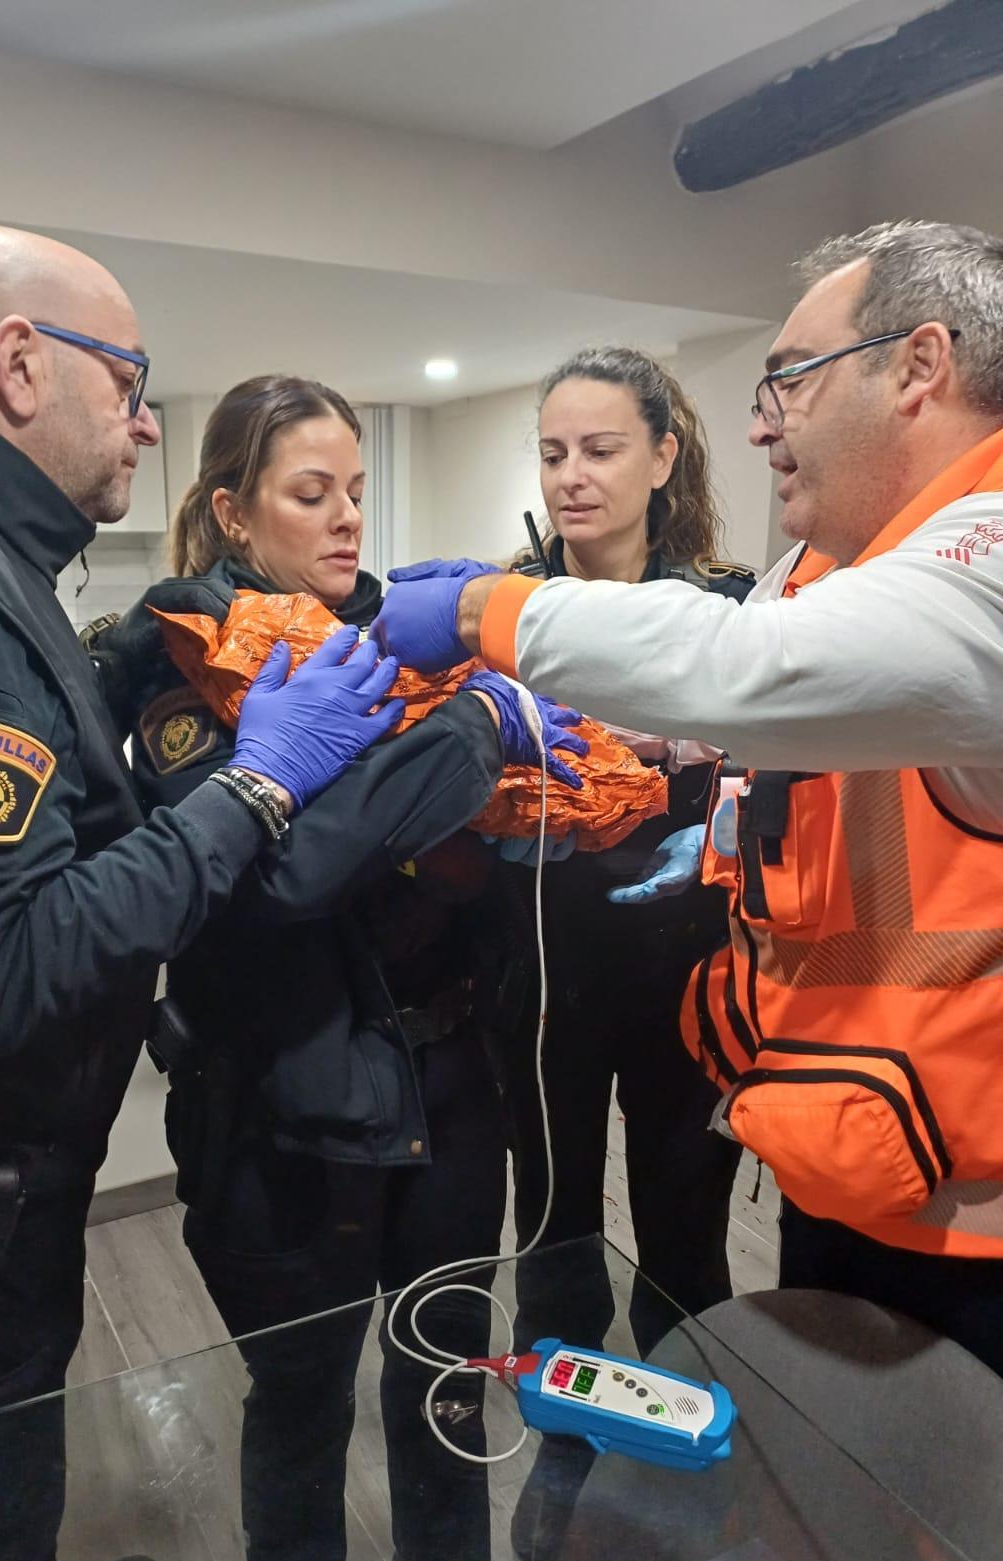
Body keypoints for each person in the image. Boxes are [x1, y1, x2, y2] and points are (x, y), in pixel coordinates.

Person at [0, 228, 405, 1561]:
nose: (145, 417)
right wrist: (258, 787)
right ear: (18, 364)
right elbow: (1, 966)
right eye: (127, 377)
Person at [372, 220, 1003, 1377]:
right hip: (847, 1144)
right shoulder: (824, 567)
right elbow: (764, 739)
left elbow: (749, 672)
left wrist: (483, 615)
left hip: (976, 1209)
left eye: (793, 381)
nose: (765, 420)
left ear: (919, 369)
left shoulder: (987, 554)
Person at [89, 373, 584, 1561]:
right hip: (286, 1102)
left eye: (357, 490)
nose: (349, 518)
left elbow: (439, 849)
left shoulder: (396, 641)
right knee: (303, 1396)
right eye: (312, 494)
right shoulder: (176, 666)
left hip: (449, 1074)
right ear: (234, 514)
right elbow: (281, 880)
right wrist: (469, 734)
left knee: (447, 1366)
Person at [494, 348, 752, 1561]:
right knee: (551, 1242)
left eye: (600, 449)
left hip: (687, 987)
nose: (573, 477)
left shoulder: (733, 615)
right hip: (538, 981)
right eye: (553, 453)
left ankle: (678, 1454)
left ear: (663, 457)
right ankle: (565, 1450)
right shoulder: (504, 620)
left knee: (686, 1239)